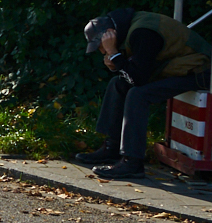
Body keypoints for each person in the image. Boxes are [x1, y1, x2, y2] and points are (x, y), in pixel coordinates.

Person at [73, 9, 211, 179]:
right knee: (118, 83)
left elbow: (138, 79)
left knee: (138, 95)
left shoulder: (143, 32)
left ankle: (132, 162)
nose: (102, 51)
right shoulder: (133, 28)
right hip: (179, 68)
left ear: (109, 35)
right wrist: (117, 61)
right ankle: (112, 148)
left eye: (100, 45)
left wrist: (115, 54)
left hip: (200, 71)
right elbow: (137, 72)